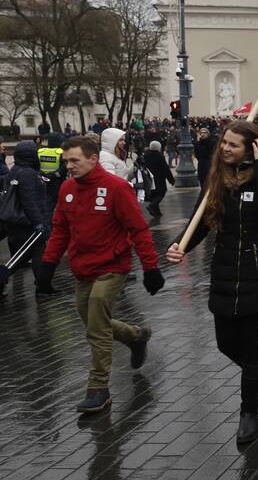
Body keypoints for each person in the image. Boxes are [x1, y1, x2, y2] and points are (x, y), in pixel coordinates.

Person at [166, 122, 258, 442]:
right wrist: (180, 245)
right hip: (223, 271)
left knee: (251, 342)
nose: (225, 148)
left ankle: (249, 412)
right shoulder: (216, 179)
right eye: (224, 142)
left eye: (234, 144)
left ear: (251, 148)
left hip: (257, 271)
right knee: (225, 343)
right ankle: (256, 371)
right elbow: (200, 223)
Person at [41, 136, 162, 413]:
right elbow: (60, 229)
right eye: (66, 161)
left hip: (112, 267)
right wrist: (47, 265)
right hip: (83, 268)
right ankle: (136, 336)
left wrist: (151, 267)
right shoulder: (67, 189)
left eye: (74, 160)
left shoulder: (117, 188)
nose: (68, 166)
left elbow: (138, 230)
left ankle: (98, 389)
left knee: (96, 324)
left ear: (93, 159)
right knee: (94, 321)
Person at [1, 141, 52, 295]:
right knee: (35, 253)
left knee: (24, 256)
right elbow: (29, 201)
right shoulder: (28, 173)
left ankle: (43, 285)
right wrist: (39, 223)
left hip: (16, 222)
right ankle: (42, 287)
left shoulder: (15, 170)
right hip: (26, 222)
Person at [142, 140, 174, 218]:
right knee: (161, 193)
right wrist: (171, 180)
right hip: (159, 178)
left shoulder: (145, 156)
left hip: (148, 178)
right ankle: (152, 206)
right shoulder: (159, 156)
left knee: (154, 194)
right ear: (158, 148)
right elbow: (165, 169)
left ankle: (157, 212)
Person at [37, 133, 65, 212]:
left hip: (42, 180)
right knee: (55, 203)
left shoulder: (40, 151)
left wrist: (42, 174)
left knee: (45, 201)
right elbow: (64, 168)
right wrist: (54, 175)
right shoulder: (60, 152)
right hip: (56, 181)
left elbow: (35, 165)